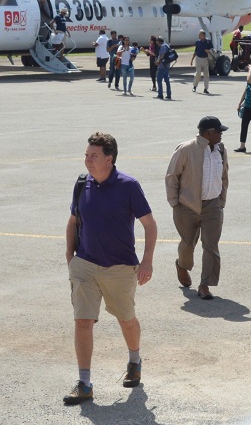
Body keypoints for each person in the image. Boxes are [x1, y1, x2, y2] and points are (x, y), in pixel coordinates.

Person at [63, 132, 157, 405]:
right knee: (82, 321)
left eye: (93, 156)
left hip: (120, 267)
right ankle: (84, 383)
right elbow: (73, 221)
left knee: (126, 319)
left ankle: (134, 360)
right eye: (86, 155)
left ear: (109, 158)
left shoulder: (128, 186)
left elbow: (149, 224)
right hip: (85, 264)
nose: (87, 161)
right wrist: (70, 255)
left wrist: (147, 260)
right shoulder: (82, 184)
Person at [165, 116, 230, 301]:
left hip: (213, 206)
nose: (221, 135)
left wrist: (221, 200)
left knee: (211, 246)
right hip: (187, 206)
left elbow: (224, 175)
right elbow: (172, 176)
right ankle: (182, 265)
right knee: (188, 243)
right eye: (219, 131)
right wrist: (174, 203)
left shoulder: (221, 149)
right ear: (208, 133)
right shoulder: (186, 149)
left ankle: (205, 285)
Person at [190, 30, 213, 94]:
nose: (199, 36)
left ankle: (205, 88)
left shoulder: (208, 42)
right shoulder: (198, 42)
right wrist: (192, 60)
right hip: (198, 59)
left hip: (205, 59)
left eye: (200, 35)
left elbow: (212, 50)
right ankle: (194, 86)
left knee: (206, 74)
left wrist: (209, 51)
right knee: (198, 73)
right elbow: (196, 51)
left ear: (203, 35)